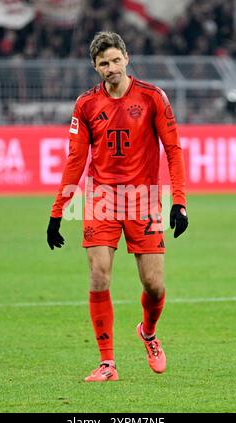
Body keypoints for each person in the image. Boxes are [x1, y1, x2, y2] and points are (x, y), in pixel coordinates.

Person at [47, 31, 188, 382]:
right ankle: (107, 363)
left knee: (154, 284)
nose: (110, 68)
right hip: (102, 199)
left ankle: (149, 333)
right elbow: (75, 160)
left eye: (114, 60)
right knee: (98, 275)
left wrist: (179, 202)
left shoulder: (153, 97)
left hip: (143, 200)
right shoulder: (86, 105)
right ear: (95, 67)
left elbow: (173, 150)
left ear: (127, 57)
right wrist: (57, 210)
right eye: (102, 63)